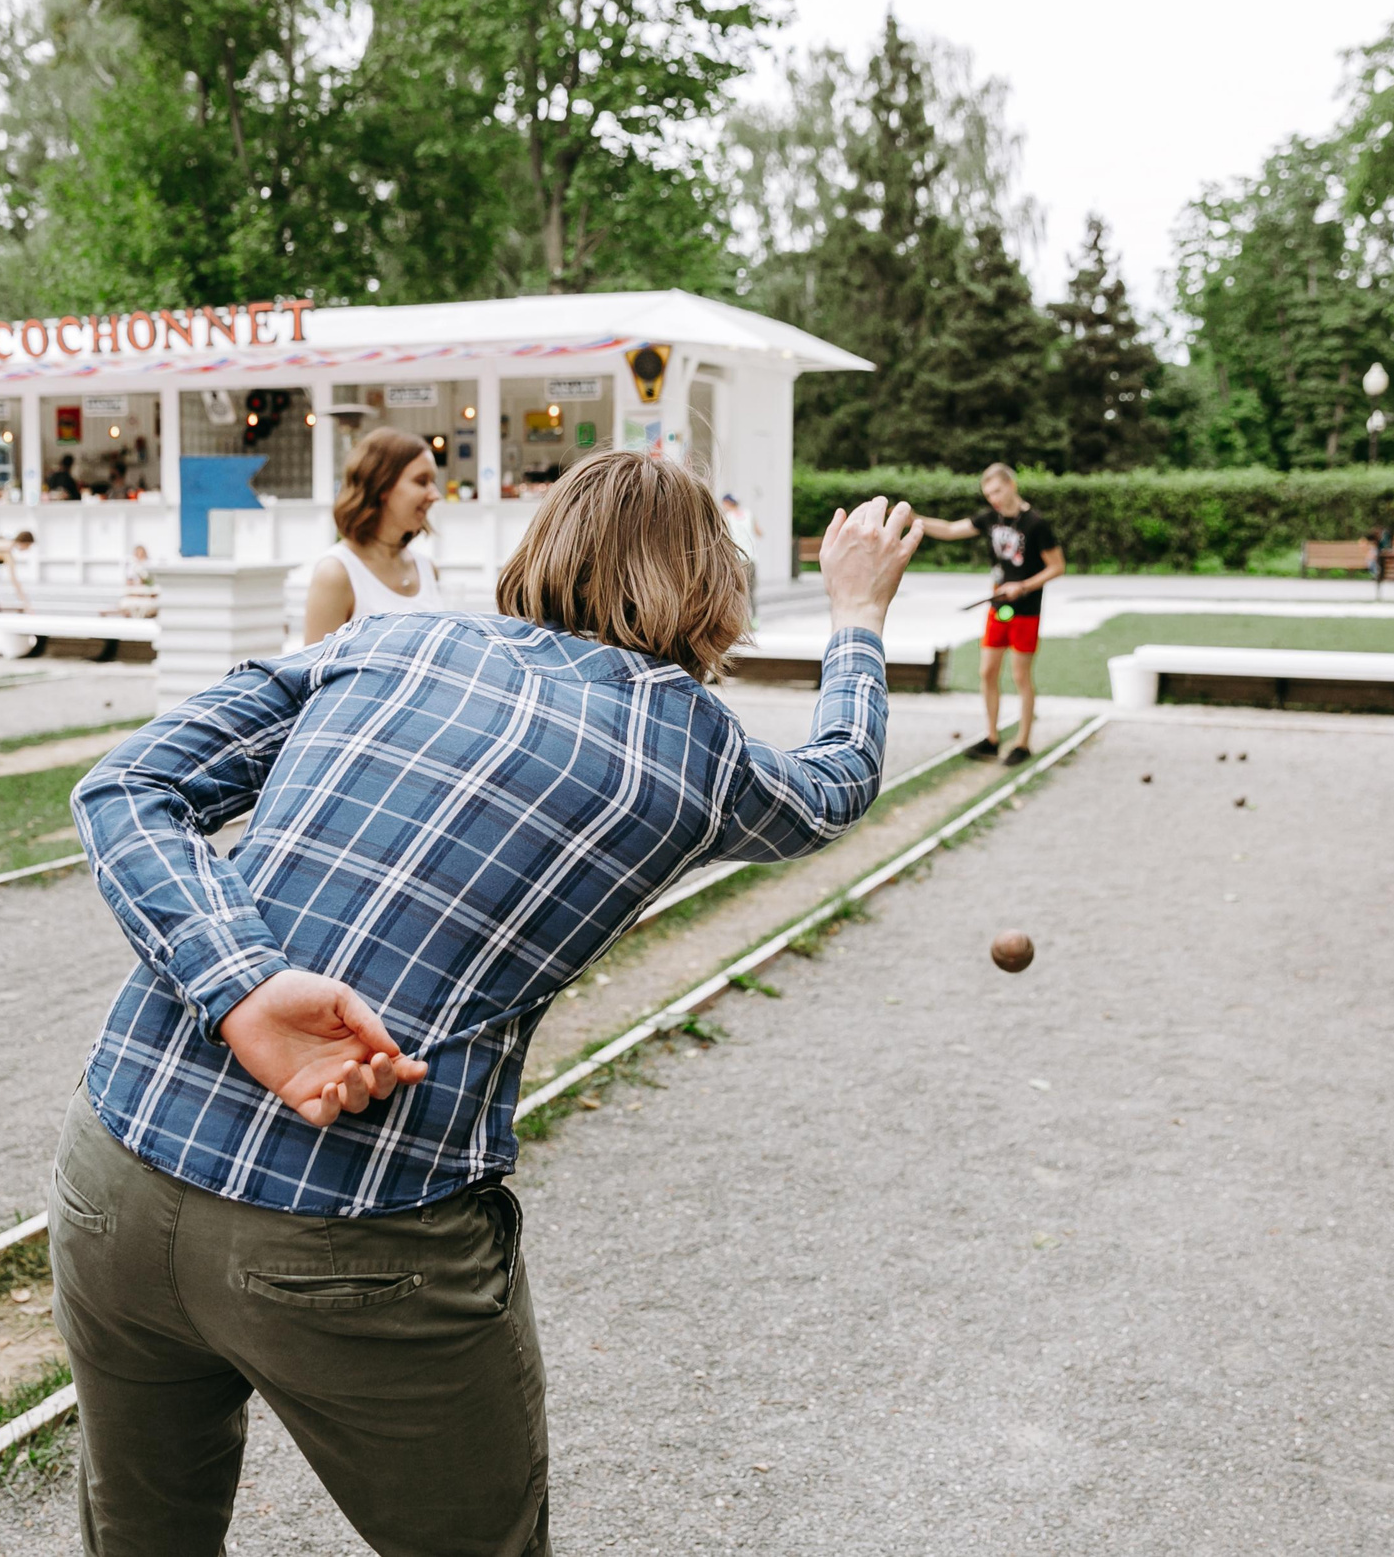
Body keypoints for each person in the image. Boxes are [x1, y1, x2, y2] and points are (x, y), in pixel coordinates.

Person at [54, 452, 919, 1556]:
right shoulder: (695, 754)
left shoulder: (387, 640)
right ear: (712, 587)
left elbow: (128, 784)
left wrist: (240, 982)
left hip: (113, 1167)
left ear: (542, 549)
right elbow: (838, 779)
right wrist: (856, 615)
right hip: (358, 1227)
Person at [916, 463, 1065, 765]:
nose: (993, 498)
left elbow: (1057, 567)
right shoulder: (990, 518)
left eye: (997, 491)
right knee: (987, 672)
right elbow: (949, 529)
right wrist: (914, 521)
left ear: (1011, 485)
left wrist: (1023, 586)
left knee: (1020, 675)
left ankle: (1022, 742)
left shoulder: (1036, 524)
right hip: (998, 607)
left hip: (1026, 610)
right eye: (988, 494)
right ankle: (992, 738)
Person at [301, 427, 442, 644]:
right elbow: (314, 663)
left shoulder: (427, 569)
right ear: (382, 485)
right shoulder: (336, 574)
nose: (435, 495)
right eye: (421, 481)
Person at [720, 492, 762, 628]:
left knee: (739, 591)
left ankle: (742, 620)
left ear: (727, 503)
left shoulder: (728, 517)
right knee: (751, 591)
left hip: (738, 559)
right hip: (752, 558)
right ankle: (754, 620)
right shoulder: (749, 514)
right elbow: (759, 532)